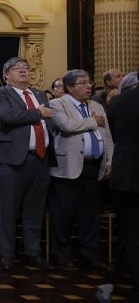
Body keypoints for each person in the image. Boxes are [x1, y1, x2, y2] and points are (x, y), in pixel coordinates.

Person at [0, 56, 53, 270]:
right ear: (7, 75)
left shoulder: (38, 93)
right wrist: (37, 113)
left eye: (26, 68)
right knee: (9, 209)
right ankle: (6, 254)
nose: (23, 71)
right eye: (17, 68)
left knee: (34, 210)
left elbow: (49, 119)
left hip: (40, 158)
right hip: (13, 160)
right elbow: (6, 116)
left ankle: (32, 252)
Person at [48, 69, 113, 271]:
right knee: (63, 214)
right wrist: (93, 122)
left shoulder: (96, 105)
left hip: (93, 167)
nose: (89, 86)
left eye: (89, 82)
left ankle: (90, 253)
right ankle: (62, 254)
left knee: (90, 214)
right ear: (69, 87)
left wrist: (109, 161)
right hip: (67, 168)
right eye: (83, 83)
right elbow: (67, 125)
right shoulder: (57, 104)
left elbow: (107, 136)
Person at [104, 67, 139, 303]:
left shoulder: (117, 103)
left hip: (125, 173)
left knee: (130, 231)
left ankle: (127, 276)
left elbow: (113, 135)